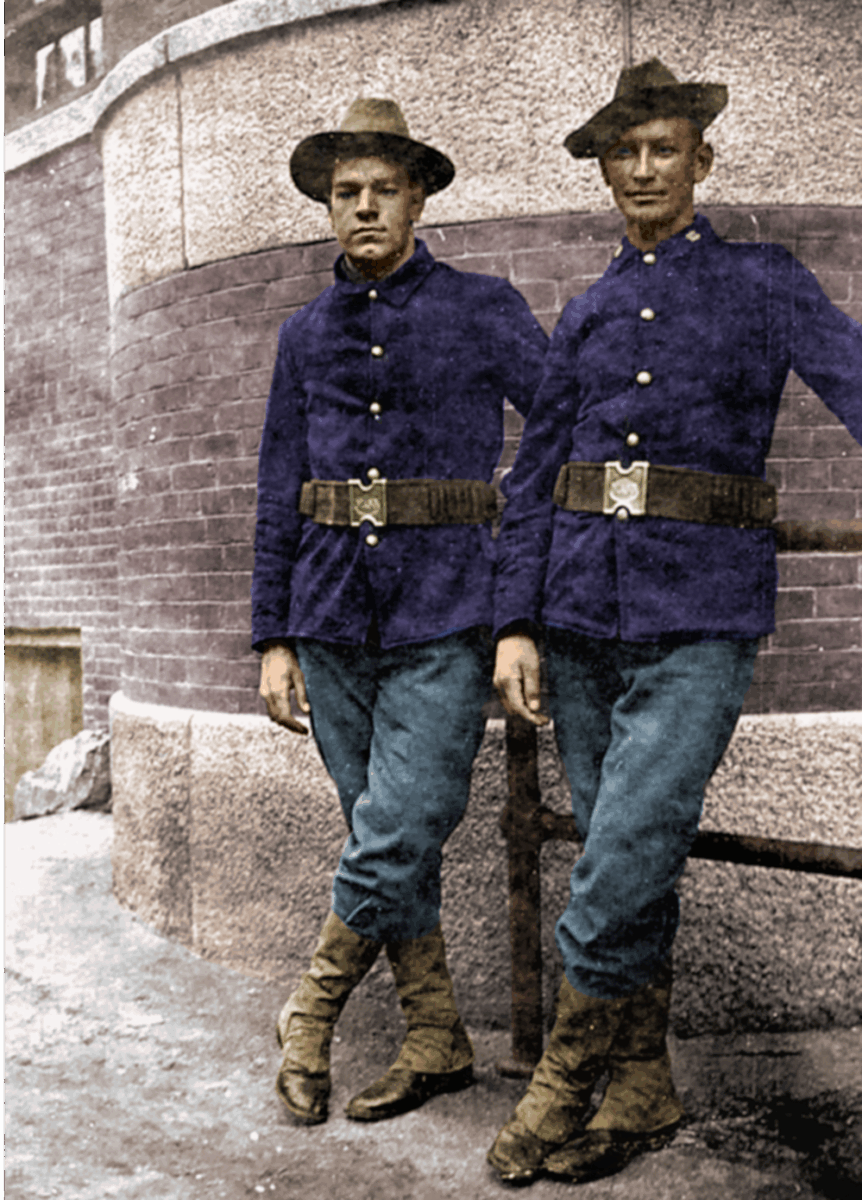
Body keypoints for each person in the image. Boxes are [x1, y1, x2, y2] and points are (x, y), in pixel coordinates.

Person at [487, 58, 862, 1185]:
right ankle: (642, 1086)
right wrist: (516, 623)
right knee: (619, 852)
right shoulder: (591, 308)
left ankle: (562, 1081)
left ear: (701, 159)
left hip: (700, 613)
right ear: (604, 171)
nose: (642, 170)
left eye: (662, 149)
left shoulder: (764, 281)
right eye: (623, 153)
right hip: (582, 620)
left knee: (623, 853)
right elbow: (535, 474)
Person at [252, 98, 548, 1127]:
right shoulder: (304, 333)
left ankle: (311, 1010)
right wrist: (274, 636)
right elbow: (276, 483)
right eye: (346, 194)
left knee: (405, 816)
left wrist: (520, 606)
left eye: (383, 190)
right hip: (329, 614)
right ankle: (435, 1035)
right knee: (380, 829)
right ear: (328, 210)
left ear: (418, 199)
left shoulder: (484, 306)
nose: (364, 208)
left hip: (447, 609)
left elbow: (555, 444)